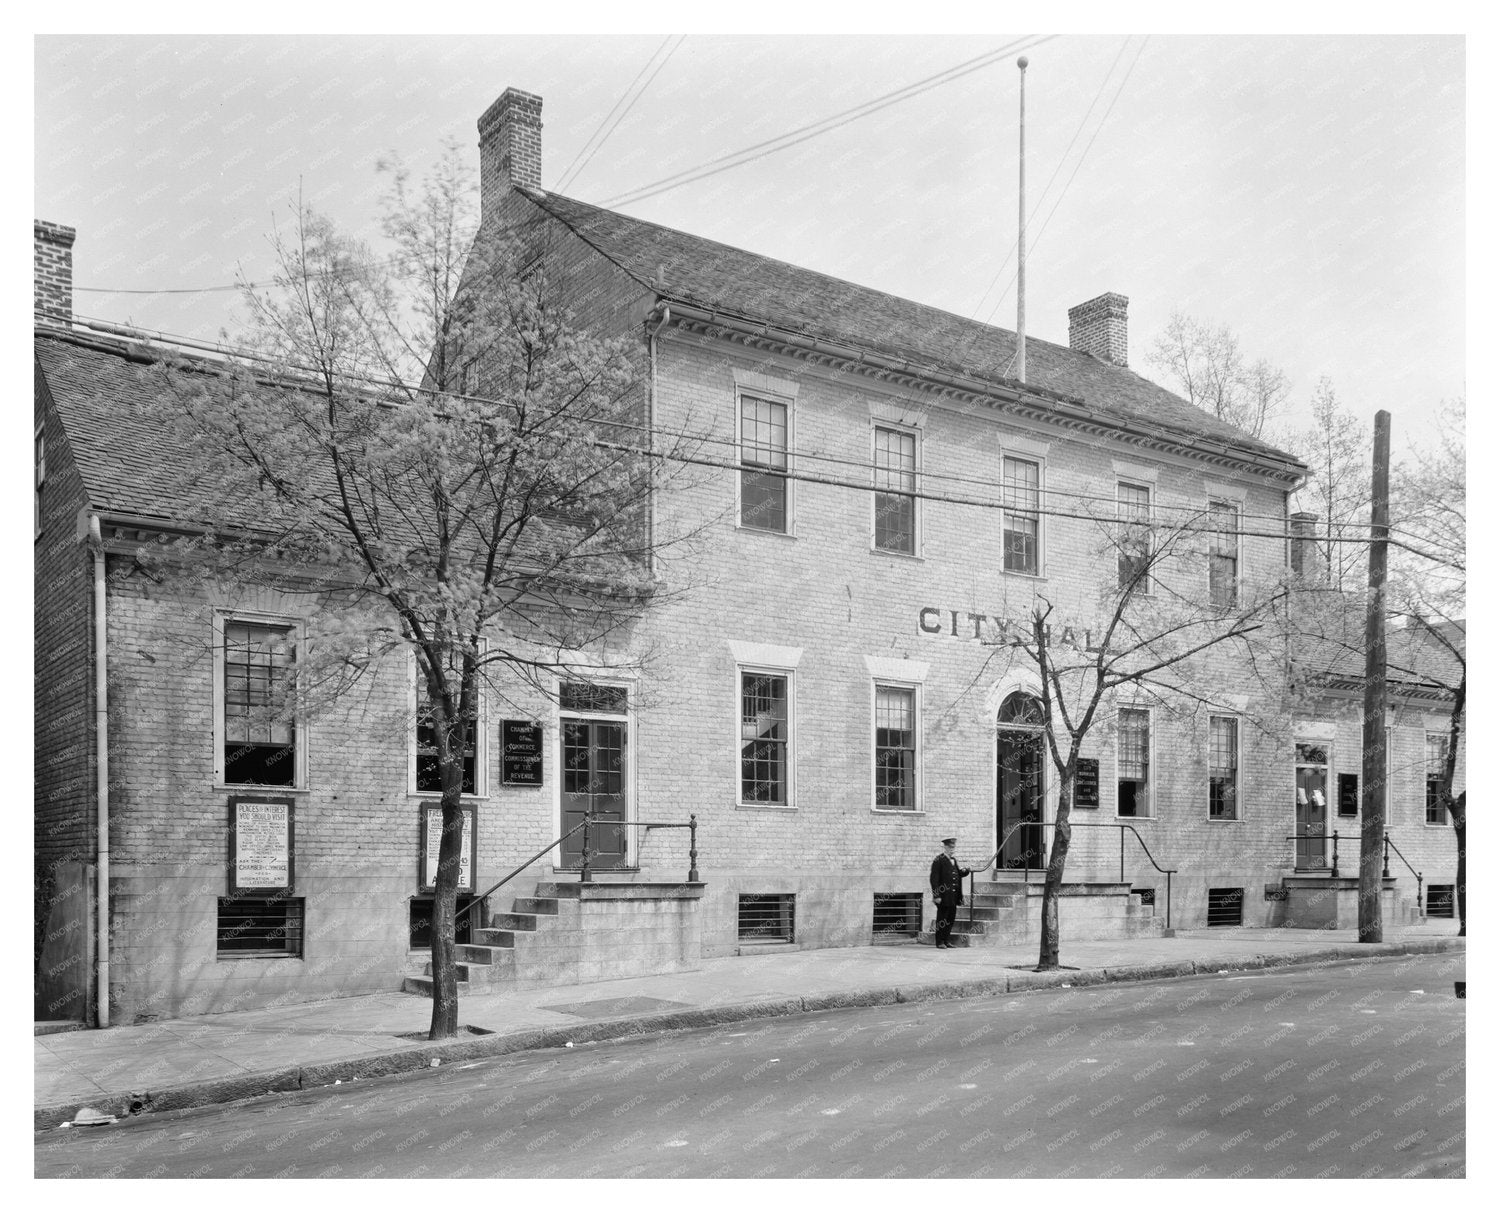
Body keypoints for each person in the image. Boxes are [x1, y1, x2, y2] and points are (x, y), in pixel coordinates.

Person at [929, 836, 973, 949]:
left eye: (953, 847)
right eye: (950, 847)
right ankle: (939, 942)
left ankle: (946, 940)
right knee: (942, 919)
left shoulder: (954, 860)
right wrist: (936, 895)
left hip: (953, 896)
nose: (952, 849)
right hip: (943, 896)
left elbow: (957, 874)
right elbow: (934, 879)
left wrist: (966, 871)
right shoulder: (938, 860)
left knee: (950, 919)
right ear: (945, 847)